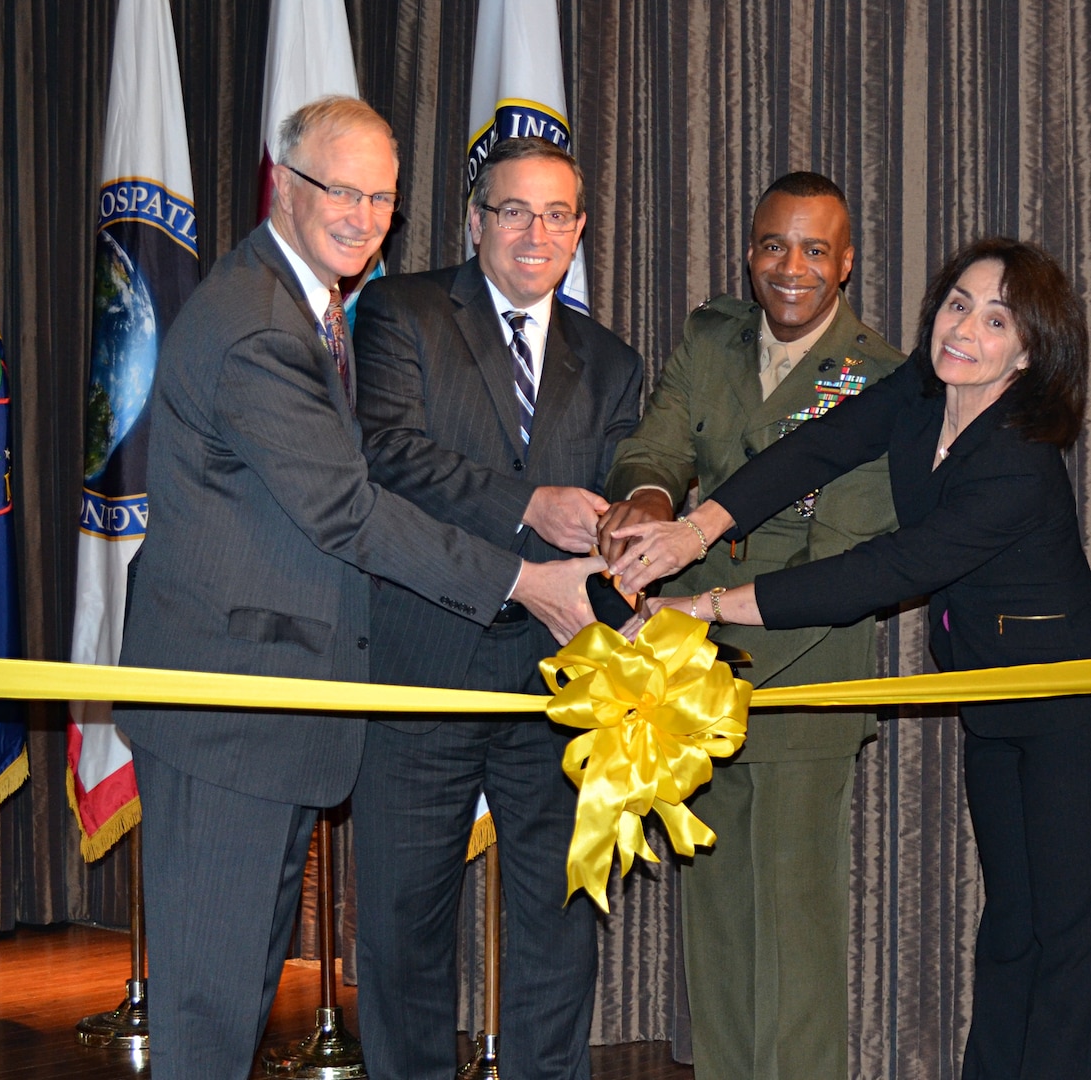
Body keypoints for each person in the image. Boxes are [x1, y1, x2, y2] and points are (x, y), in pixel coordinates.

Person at [113, 97, 603, 1079]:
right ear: (284, 188)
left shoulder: (302, 302)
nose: (364, 215)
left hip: (273, 710)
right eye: (342, 189)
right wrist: (526, 582)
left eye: (381, 196)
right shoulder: (258, 324)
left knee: (237, 990)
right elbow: (346, 512)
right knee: (211, 1007)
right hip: (234, 706)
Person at [612, 237, 1091, 1080]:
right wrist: (696, 528)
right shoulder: (921, 393)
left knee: (1069, 937)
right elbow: (814, 449)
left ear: (1030, 349)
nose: (963, 327)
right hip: (992, 688)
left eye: (995, 318)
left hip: (1074, 699)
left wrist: (705, 605)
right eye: (957, 303)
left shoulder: (1018, 462)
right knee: (1010, 922)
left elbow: (884, 572)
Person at [594, 170, 903, 1080]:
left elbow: (840, 557)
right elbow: (655, 448)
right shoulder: (711, 335)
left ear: (846, 264)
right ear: (749, 250)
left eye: (815, 249)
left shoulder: (877, 378)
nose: (791, 267)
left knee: (795, 936)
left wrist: (704, 629)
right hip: (689, 670)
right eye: (774, 244)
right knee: (718, 925)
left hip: (803, 671)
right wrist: (645, 509)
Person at [349, 136, 643, 1080]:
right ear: (475, 222)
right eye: (514, 209)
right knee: (403, 928)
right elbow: (386, 454)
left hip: (555, 682)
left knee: (561, 924)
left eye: (557, 214)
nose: (536, 231)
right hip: (419, 667)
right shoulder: (400, 312)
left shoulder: (612, 362)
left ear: (581, 230)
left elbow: (625, 493)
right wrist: (527, 505)